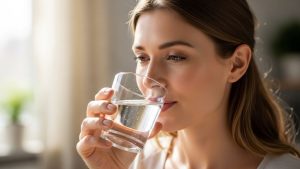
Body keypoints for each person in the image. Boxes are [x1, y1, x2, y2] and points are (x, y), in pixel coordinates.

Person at [76, 0, 300, 168]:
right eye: (142, 58)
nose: (150, 79)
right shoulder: (139, 162)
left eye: (175, 57)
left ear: (236, 64)